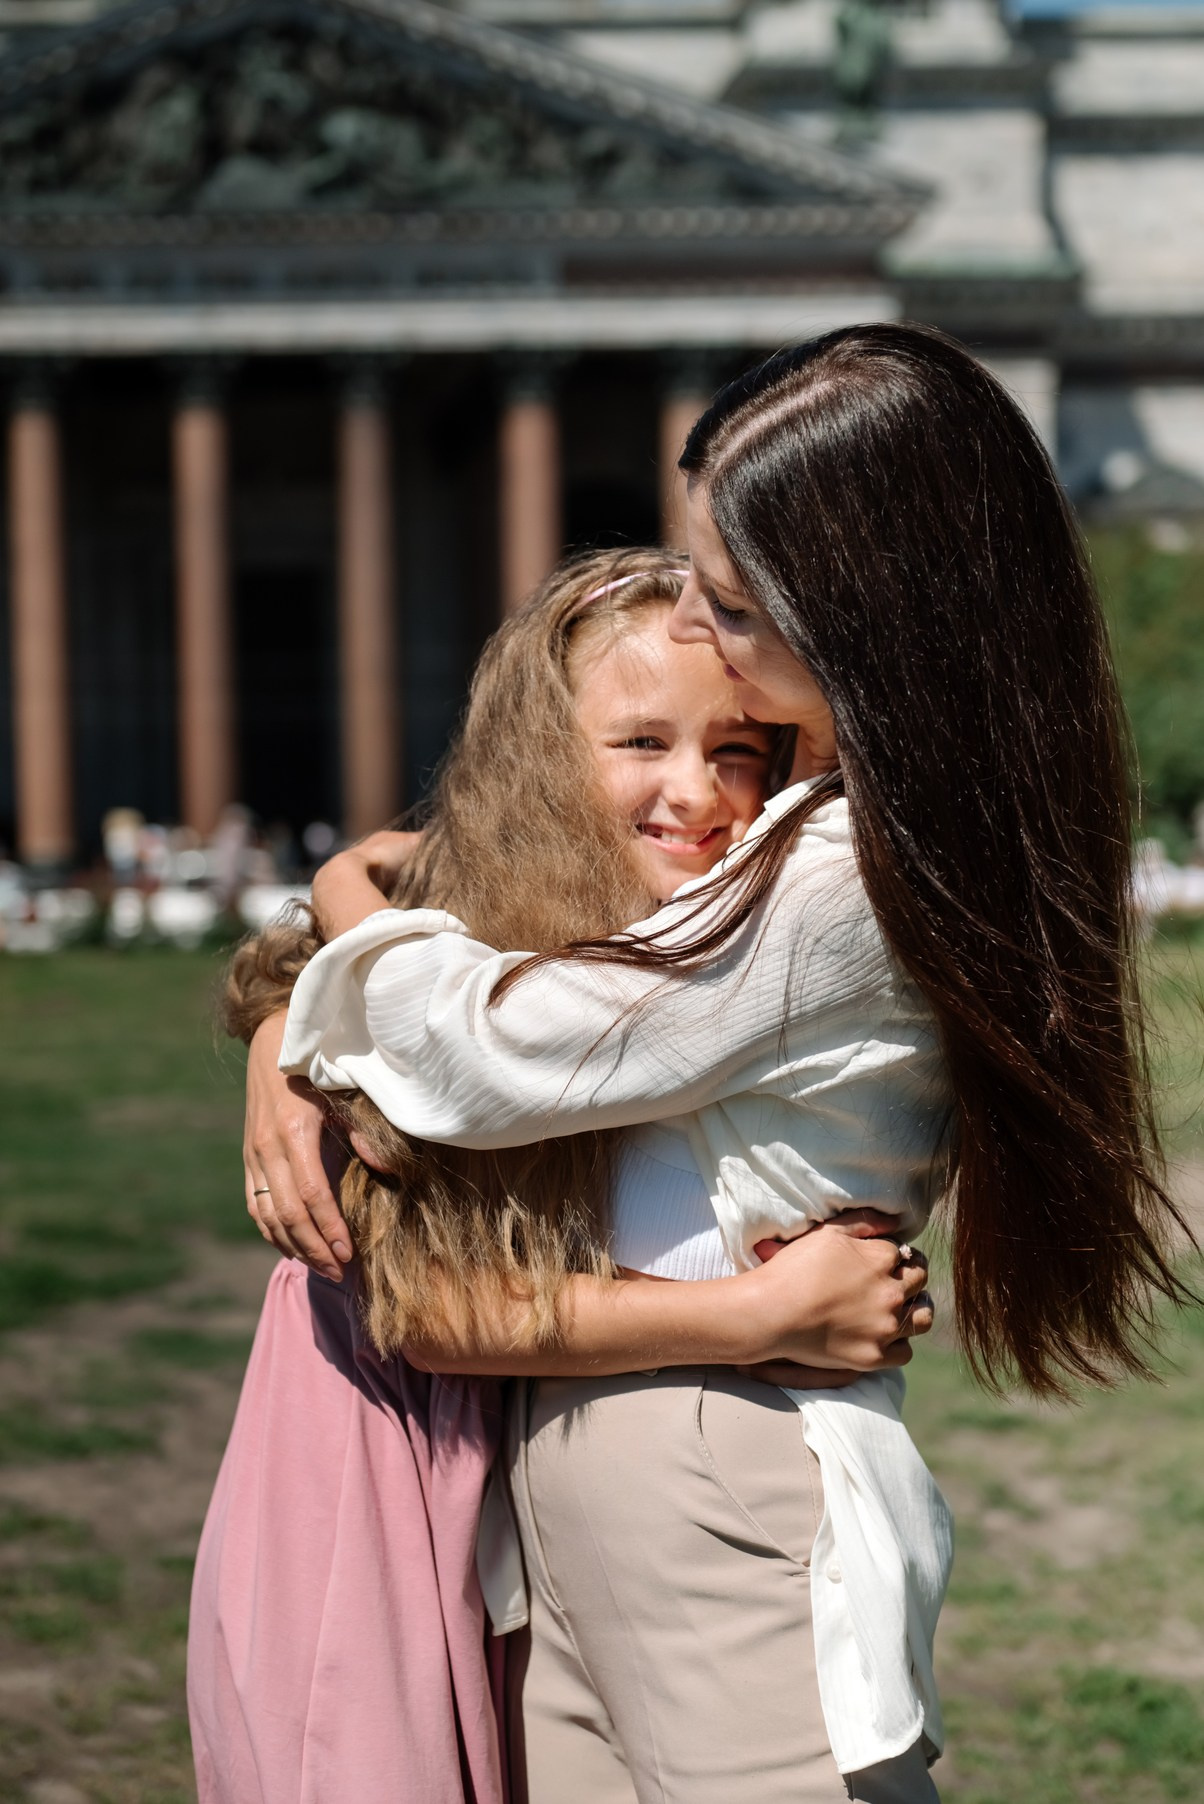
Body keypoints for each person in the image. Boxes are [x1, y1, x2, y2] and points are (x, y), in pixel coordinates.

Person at [266, 324, 1192, 1804]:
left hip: (717, 1467)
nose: (696, 620)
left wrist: (333, 914)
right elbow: (487, 951)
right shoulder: (830, 828)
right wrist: (283, 1027)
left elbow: (493, 1050)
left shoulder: (848, 870)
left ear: (861, 627)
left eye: (737, 603)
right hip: (600, 1468)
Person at [192, 548, 930, 1804]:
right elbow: (432, 1303)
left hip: (594, 1491)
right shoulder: (480, 974)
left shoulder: (700, 940)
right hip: (395, 1480)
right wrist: (291, 1020)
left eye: (740, 751)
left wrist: (309, 970)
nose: (699, 793)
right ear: (543, 759)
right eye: (639, 739)